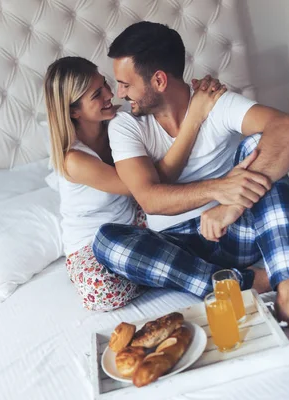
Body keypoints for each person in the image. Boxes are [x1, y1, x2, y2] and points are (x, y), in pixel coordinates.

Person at [92, 22, 289, 349]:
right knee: (106, 241)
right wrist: (218, 189)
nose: (120, 94)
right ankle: (255, 280)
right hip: (172, 244)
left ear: (158, 80)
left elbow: (288, 129)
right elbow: (150, 200)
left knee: (259, 147)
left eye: (125, 83)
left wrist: (230, 207)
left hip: (233, 234)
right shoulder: (125, 125)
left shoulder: (215, 101)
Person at [43, 56, 227, 311]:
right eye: (97, 94)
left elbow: (165, 108)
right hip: (96, 244)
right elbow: (152, 185)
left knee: (186, 222)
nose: (110, 94)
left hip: (137, 226)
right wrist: (194, 119)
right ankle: (199, 275)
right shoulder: (74, 160)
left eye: (105, 84)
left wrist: (199, 96)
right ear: (74, 111)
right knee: (102, 291)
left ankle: (170, 268)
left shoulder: (119, 126)